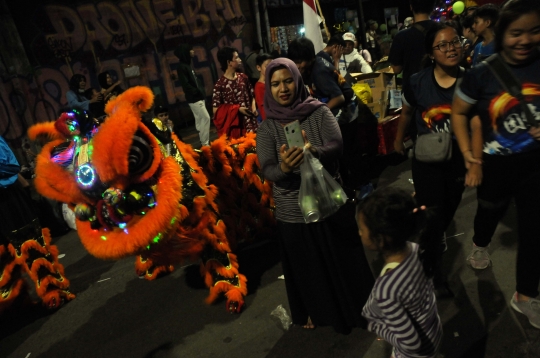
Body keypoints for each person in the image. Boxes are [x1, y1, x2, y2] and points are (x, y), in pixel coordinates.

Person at [256, 57, 374, 333]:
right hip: (294, 213)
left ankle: (363, 312)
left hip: (328, 202)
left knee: (346, 261)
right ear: (268, 89)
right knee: (309, 269)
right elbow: (268, 169)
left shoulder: (319, 112)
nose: (282, 88)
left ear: (298, 81)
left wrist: (314, 151)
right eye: (275, 84)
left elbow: (337, 145)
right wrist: (285, 167)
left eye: (287, 81)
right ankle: (319, 312)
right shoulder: (268, 127)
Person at [451, 0, 540, 328]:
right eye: (516, 33)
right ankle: (480, 243)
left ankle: (526, 295)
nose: (526, 40)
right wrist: (470, 157)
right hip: (495, 164)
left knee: (534, 231)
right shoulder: (482, 73)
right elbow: (460, 113)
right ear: (502, 34)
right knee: (489, 209)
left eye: (534, 31)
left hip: (535, 164)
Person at [394, 23, 466, 291]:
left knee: (448, 210)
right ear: (432, 53)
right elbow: (406, 113)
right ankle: (432, 270)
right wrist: (398, 138)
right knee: (434, 217)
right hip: (428, 160)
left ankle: (430, 240)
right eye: (442, 45)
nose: (451, 48)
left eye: (454, 42)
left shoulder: (471, 80)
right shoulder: (417, 81)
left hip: (458, 159)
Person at [358, 187, 442, 358]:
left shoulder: (387, 290)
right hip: (433, 331)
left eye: (362, 229)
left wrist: (378, 326)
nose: (359, 233)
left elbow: (411, 343)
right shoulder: (416, 249)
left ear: (380, 239)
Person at [0, 136, 74, 311]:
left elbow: (9, 164)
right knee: (3, 255)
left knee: (30, 245)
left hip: (7, 198)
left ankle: (52, 290)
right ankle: (15, 301)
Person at [288, 37, 362, 189]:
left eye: (300, 61)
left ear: (309, 58)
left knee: (346, 154)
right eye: (294, 61)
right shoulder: (317, 61)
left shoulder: (319, 71)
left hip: (346, 111)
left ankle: (357, 187)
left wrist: (319, 112)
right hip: (340, 109)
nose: (297, 65)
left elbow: (339, 97)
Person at [389, 0, 437, 92]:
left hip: (413, 92)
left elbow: (396, 69)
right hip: (441, 88)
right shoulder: (443, 30)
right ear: (432, 7)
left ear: (411, 7)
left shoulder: (401, 36)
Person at [212, 46, 258, 139]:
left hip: (251, 122)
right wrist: (237, 109)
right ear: (229, 62)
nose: (240, 60)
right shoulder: (220, 85)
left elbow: (252, 95)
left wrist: (253, 107)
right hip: (236, 128)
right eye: (236, 58)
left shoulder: (243, 77)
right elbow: (215, 110)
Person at [174, 44, 211, 146]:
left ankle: (204, 142)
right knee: (206, 118)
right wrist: (197, 92)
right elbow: (185, 85)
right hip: (194, 98)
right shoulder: (182, 67)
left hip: (197, 97)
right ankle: (205, 143)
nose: (193, 51)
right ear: (185, 53)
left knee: (200, 120)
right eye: (190, 50)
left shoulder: (187, 66)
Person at [254, 53, 273, 122]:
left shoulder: (272, 81)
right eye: (267, 66)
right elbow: (263, 109)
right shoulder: (259, 87)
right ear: (258, 68)